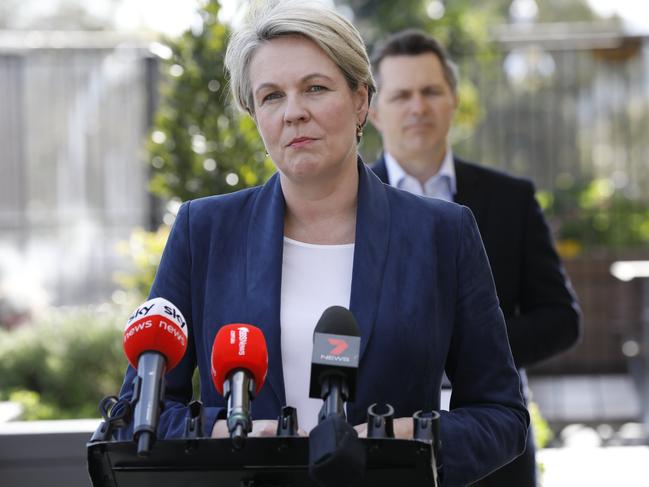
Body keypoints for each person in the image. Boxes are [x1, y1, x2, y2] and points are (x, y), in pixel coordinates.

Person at [117, 2, 529, 485]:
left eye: (315, 88)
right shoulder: (204, 230)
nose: (294, 113)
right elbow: (138, 414)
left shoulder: (441, 233)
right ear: (254, 115)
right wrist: (230, 431)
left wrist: (407, 439)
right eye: (271, 96)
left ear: (360, 101)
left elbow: (502, 416)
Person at [368, 30, 582, 486]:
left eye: (430, 91)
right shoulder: (345, 206)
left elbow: (561, 319)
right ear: (371, 109)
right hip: (379, 443)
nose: (417, 107)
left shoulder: (512, 198)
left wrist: (469, 353)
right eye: (401, 94)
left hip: (494, 446)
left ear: (453, 100)